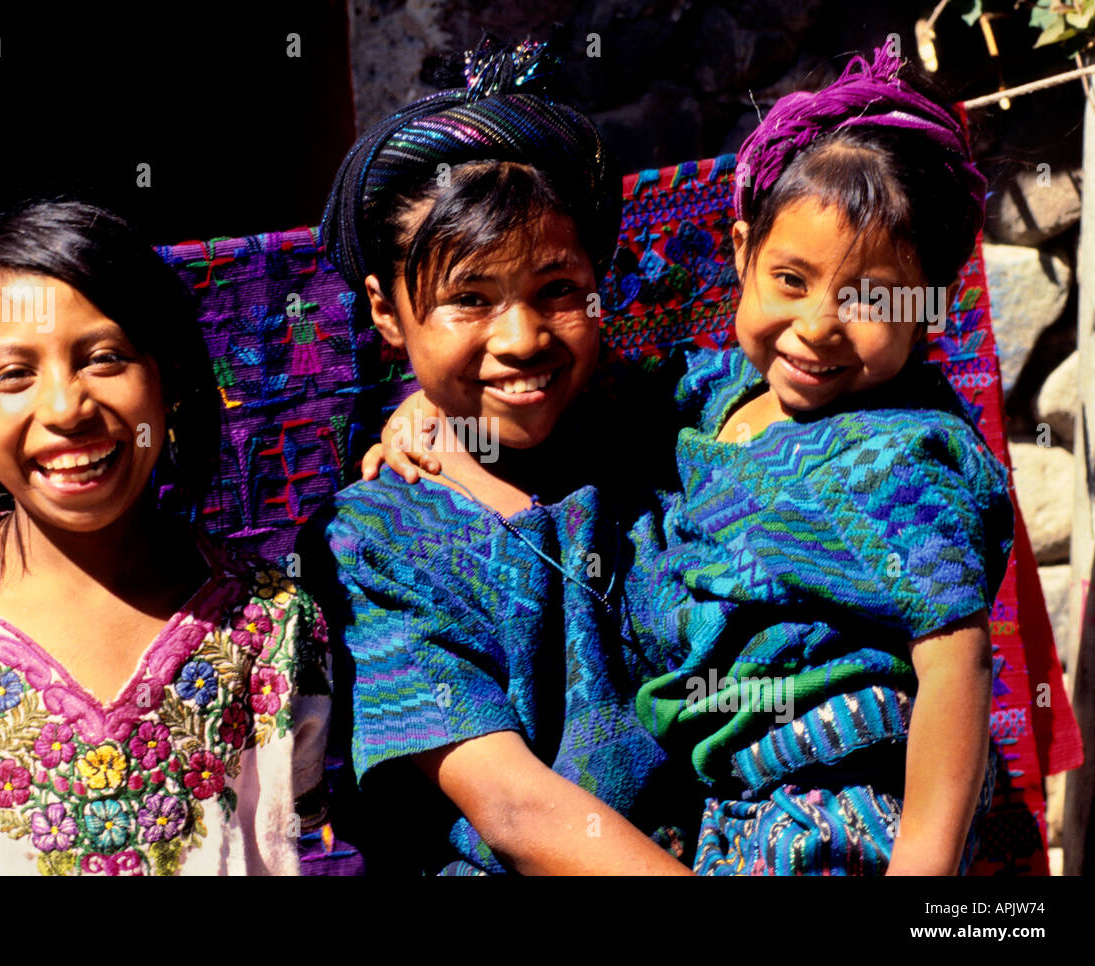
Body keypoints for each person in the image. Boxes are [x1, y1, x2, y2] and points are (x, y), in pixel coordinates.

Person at [302, 37, 697, 875]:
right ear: (386, 311)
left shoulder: (671, 435)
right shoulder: (372, 546)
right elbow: (514, 808)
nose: (520, 340)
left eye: (557, 290)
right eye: (469, 301)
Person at [0, 200, 331, 875]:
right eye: (15, 374)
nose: (68, 408)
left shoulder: (270, 621)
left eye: (105, 358)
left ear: (171, 382)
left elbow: (288, 835)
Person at [626, 45, 1013, 875]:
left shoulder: (905, 458)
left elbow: (956, 661)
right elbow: (562, 401)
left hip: (848, 812)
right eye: (791, 280)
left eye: (870, 299)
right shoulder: (706, 398)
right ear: (741, 254)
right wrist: (429, 422)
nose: (817, 328)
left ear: (932, 307)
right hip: (729, 813)